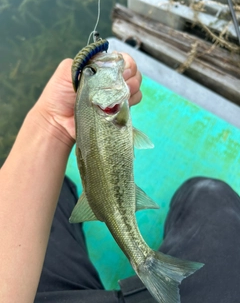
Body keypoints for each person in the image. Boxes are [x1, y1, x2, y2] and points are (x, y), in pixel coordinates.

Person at [0, 53, 240, 303]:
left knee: (57, 189)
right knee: (210, 194)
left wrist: (51, 123)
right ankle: (149, 266)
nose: (95, 70)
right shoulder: (112, 111)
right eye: (92, 73)